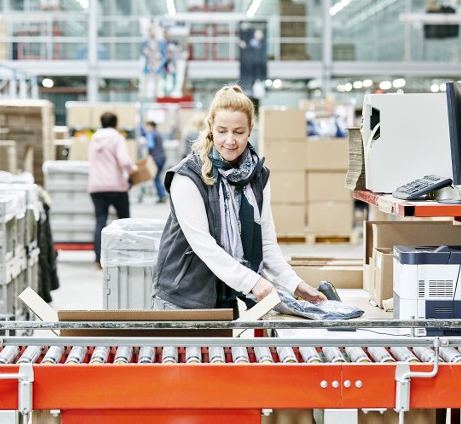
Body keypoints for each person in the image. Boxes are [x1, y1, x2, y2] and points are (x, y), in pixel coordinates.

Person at [151, 85, 326, 318]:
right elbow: (203, 245)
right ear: (211, 127)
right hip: (182, 297)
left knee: (223, 356)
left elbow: (266, 243)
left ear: (250, 130)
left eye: (239, 132)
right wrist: (252, 281)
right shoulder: (187, 177)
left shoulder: (258, 176)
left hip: (225, 295)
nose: (230, 140)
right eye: (222, 131)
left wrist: (295, 283)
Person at [88, 112, 138, 269]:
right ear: (116, 124)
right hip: (116, 186)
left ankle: (98, 260)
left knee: (100, 221)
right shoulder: (117, 138)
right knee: (124, 221)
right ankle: (126, 256)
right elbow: (124, 160)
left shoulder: (94, 139)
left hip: (96, 187)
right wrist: (134, 169)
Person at [144, 120, 167, 203]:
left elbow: (150, 145)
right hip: (162, 157)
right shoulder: (158, 133)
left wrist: (143, 143)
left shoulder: (151, 134)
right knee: (158, 177)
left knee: (156, 178)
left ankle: (162, 195)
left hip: (157, 158)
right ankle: (162, 195)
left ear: (150, 125)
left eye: (146, 126)